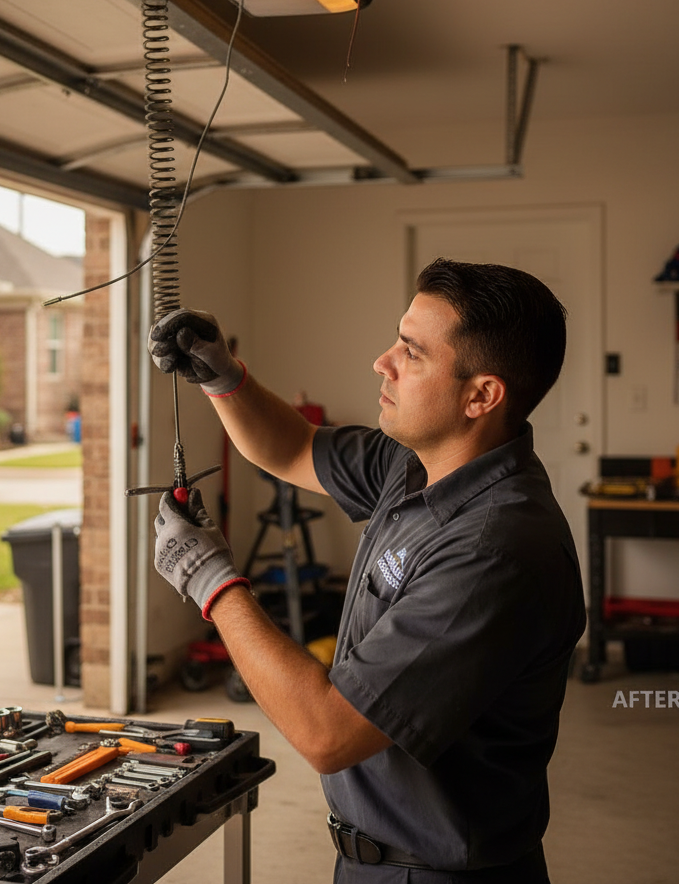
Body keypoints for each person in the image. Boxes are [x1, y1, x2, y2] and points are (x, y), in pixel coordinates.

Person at [148, 258, 586, 883]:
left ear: (481, 395)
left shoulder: (494, 551)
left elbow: (328, 732)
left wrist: (211, 582)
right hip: (372, 862)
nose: (383, 362)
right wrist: (223, 377)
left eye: (412, 351)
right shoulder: (415, 463)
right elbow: (294, 447)